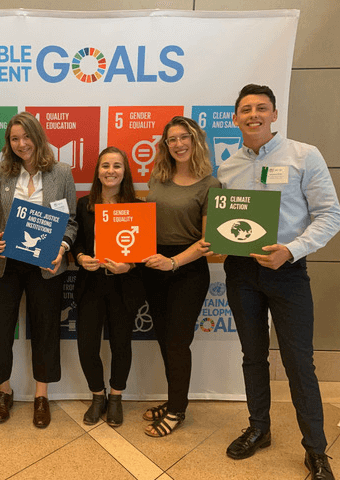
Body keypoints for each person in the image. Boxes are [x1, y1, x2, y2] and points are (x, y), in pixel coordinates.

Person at [218, 84, 340, 480]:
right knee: (253, 355)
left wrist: (290, 250)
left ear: (274, 114)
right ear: (235, 119)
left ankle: (316, 450)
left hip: (288, 272)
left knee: (298, 362)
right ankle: (259, 428)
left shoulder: (304, 155)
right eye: (246, 109)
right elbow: (227, 225)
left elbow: (330, 215)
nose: (253, 115)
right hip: (241, 273)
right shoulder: (228, 167)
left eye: (261, 108)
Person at [0, 112, 77, 428]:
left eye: (26, 136)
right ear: (8, 142)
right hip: (6, 264)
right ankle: (3, 391)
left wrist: (62, 248)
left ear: (38, 137)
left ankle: (41, 396)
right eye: (14, 138)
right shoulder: (0, 173)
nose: (21, 143)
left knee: (46, 328)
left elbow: (71, 221)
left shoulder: (61, 173)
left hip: (46, 264)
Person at [140, 116, 220, 437]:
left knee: (177, 342)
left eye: (184, 137)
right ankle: (175, 400)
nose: (178, 144)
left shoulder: (210, 184)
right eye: (172, 139)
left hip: (187, 269)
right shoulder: (158, 177)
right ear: (165, 145)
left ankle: (176, 410)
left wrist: (173, 262)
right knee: (164, 339)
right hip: (155, 266)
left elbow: (208, 241)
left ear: (195, 140)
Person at [72, 147, 145, 427]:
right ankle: (97, 396)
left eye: (116, 166)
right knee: (87, 345)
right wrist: (80, 257)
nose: (110, 171)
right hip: (91, 283)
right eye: (105, 166)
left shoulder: (137, 206)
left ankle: (116, 397)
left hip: (124, 286)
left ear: (125, 172)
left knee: (121, 344)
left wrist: (130, 265)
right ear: (98, 171)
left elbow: (145, 249)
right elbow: (77, 241)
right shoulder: (84, 204)